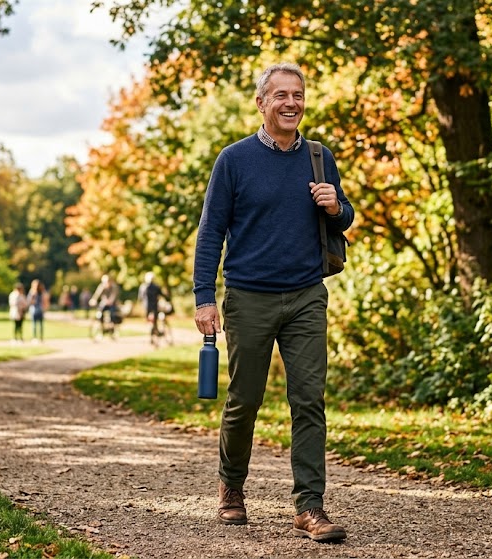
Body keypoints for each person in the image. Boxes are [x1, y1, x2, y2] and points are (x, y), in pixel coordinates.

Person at [192, 63, 354, 542]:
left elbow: (342, 218)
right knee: (244, 400)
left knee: (309, 400)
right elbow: (210, 232)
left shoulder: (320, 158)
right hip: (248, 297)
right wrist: (205, 297)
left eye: (298, 95)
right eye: (280, 95)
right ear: (262, 103)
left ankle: (309, 507)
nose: (291, 103)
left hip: (306, 295)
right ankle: (232, 489)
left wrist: (336, 207)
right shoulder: (235, 160)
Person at [138, 271, 171, 337]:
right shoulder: (156, 287)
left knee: (150, 320)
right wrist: (168, 299)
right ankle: (156, 331)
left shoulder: (142, 287)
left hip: (146, 307)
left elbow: (140, 298)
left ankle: (153, 332)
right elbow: (162, 295)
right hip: (154, 306)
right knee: (156, 319)